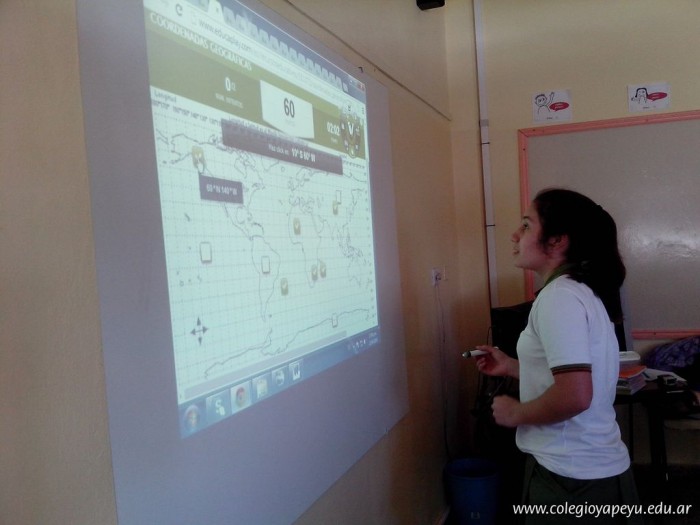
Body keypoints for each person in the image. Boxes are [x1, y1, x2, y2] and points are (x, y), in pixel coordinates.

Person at [475, 188, 642, 524]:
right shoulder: (578, 292)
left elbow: (575, 395)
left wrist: (516, 413)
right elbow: (575, 378)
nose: (515, 235)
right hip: (586, 470)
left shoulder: (559, 298)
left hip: (571, 479)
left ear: (556, 241)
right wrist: (511, 366)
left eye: (526, 225)